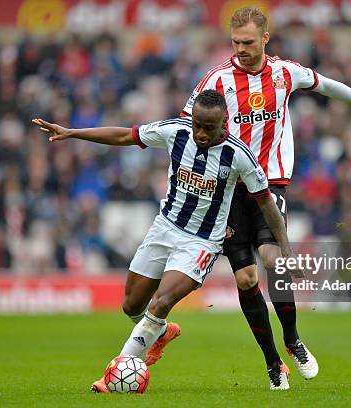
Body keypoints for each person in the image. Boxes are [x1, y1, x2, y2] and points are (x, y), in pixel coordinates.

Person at [179, 7, 351, 389]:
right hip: (226, 189)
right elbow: (187, 124)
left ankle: (293, 339)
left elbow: (327, 85)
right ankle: (273, 362)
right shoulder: (216, 80)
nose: (241, 49)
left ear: (265, 38)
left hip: (269, 183)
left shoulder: (284, 73)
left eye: (248, 42)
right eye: (235, 43)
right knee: (246, 279)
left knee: (272, 258)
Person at [31, 90, 296, 391]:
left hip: (201, 242)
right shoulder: (175, 131)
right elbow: (124, 136)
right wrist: (73, 132)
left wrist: (286, 250)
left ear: (224, 124)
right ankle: (161, 334)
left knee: (161, 303)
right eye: (197, 124)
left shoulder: (239, 156)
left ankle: (113, 375)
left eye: (209, 127)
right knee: (132, 306)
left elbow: (266, 205)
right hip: (164, 228)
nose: (200, 132)